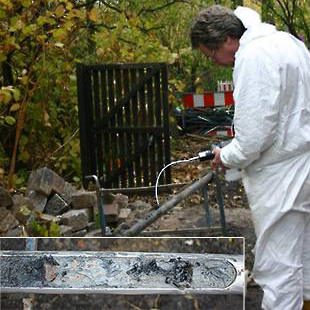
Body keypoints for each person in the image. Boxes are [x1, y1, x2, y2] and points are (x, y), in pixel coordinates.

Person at [190, 5, 310, 310]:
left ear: (228, 39)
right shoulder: (288, 43)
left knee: (278, 266)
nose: (213, 62)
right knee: (305, 256)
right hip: (303, 161)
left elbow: (254, 137)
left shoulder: (254, 56)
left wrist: (225, 155)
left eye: (210, 54)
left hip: (282, 176)